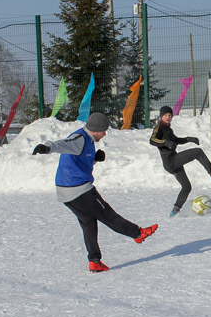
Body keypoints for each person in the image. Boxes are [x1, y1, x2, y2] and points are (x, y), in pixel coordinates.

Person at [32, 112, 158, 272]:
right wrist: (47, 147)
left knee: (88, 223)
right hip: (78, 188)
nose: (105, 134)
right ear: (95, 129)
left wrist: (95, 159)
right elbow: (64, 144)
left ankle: (94, 261)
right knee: (107, 214)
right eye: (103, 130)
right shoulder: (80, 138)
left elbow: (79, 159)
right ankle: (138, 233)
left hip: (66, 192)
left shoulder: (88, 140)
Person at [150, 105, 211, 216]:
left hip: (173, 161)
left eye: (169, 115)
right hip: (170, 161)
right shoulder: (159, 128)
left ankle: (175, 210)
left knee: (187, 187)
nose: (168, 117)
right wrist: (166, 143)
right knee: (197, 152)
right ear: (161, 116)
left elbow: (176, 140)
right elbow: (152, 140)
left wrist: (188, 139)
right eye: (165, 115)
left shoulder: (168, 129)